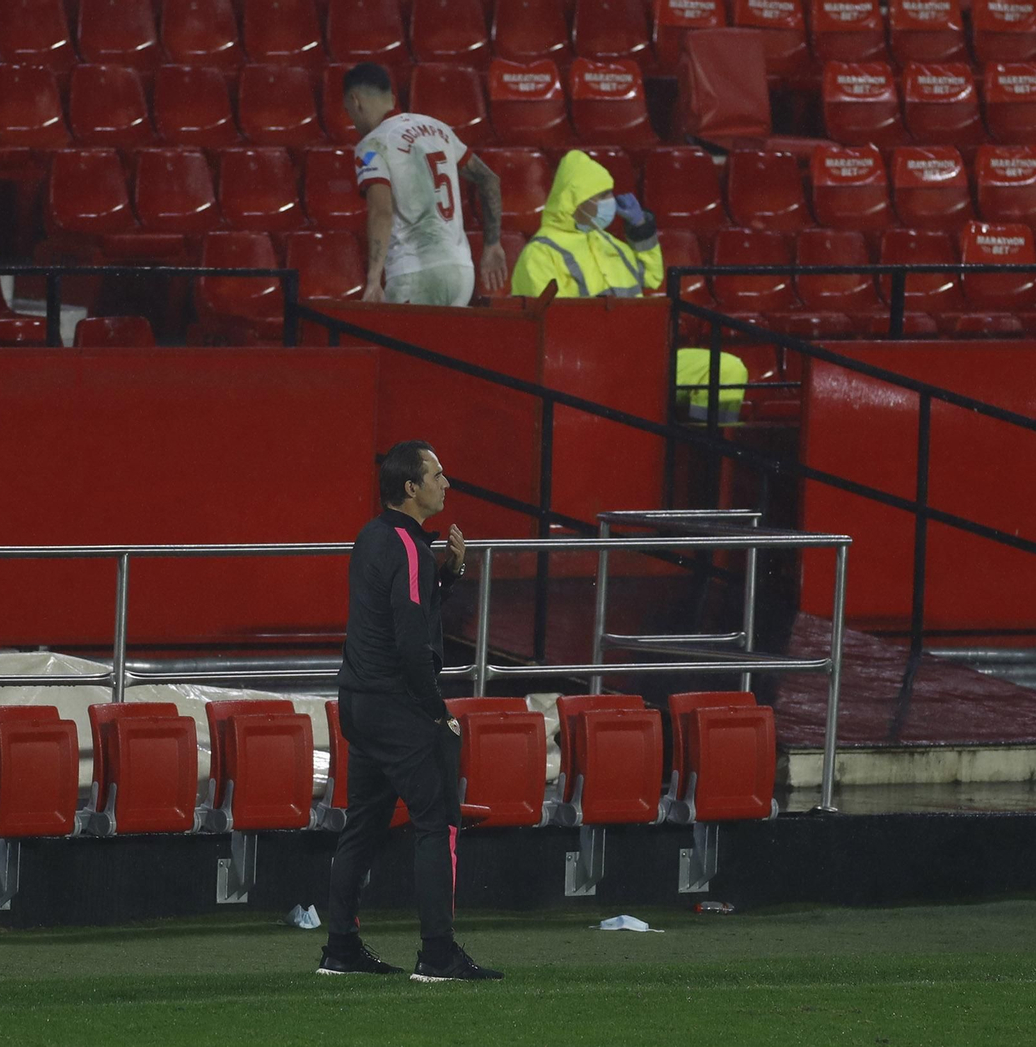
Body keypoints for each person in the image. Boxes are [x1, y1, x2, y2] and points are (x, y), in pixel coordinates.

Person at [319, 441, 503, 983]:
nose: (446, 483)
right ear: (410, 487)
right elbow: (411, 642)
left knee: (363, 827)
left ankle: (340, 948)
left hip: (359, 703)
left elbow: (404, 612)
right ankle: (437, 953)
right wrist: (436, 711)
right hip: (399, 706)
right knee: (439, 824)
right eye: (437, 475)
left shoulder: (374, 538)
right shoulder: (408, 546)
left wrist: (453, 572)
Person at [510, 150, 750, 423]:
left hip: (637, 358)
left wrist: (640, 228)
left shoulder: (609, 243)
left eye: (608, 194)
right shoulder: (540, 254)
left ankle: (705, 452)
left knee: (725, 369)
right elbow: (556, 326)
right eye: (599, 197)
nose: (608, 203)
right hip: (585, 366)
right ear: (574, 202)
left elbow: (650, 276)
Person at [342, 63, 509, 307]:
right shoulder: (438, 129)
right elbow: (489, 179)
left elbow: (381, 211)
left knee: (403, 346)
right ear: (391, 97)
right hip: (461, 271)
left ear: (355, 101)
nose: (353, 121)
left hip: (414, 272)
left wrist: (373, 279)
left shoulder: (372, 145)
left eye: (349, 112)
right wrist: (493, 244)